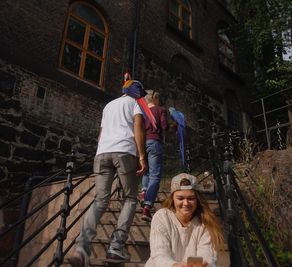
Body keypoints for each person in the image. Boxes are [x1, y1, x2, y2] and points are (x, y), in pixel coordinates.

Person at [68, 78, 148, 267]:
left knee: (100, 200)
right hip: (124, 152)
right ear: (137, 93)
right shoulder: (135, 104)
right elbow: (138, 126)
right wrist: (142, 156)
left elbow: (102, 132)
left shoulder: (109, 106)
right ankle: (115, 248)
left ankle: (82, 249)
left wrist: (101, 150)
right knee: (130, 198)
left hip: (102, 152)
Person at [145, 173, 224, 267]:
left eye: (191, 198)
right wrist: (175, 265)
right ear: (172, 199)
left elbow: (207, 255)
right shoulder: (162, 217)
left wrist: (204, 264)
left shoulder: (206, 222)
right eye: (180, 198)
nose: (186, 203)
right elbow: (159, 254)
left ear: (197, 200)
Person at [140, 90, 168, 222]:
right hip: (154, 142)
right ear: (156, 99)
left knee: (146, 170)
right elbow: (164, 126)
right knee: (155, 175)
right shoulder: (160, 109)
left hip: (142, 143)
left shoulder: (141, 111)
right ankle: (147, 206)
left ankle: (144, 192)